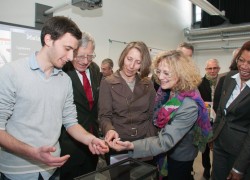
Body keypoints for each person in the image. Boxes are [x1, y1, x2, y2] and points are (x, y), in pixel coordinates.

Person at [0, 16, 109, 180]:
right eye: (67, 48)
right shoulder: (11, 73)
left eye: (74, 50)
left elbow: (71, 122)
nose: (71, 57)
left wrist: (90, 139)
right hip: (17, 172)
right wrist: (32, 152)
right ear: (48, 39)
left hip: (52, 169)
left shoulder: (64, 80)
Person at [108, 50, 213, 180]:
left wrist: (132, 146)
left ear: (181, 74)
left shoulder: (189, 104)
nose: (161, 77)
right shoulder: (171, 90)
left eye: (166, 73)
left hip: (180, 154)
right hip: (168, 150)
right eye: (158, 71)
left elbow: (165, 140)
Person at [98, 41, 158, 165]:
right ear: (123, 57)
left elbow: (152, 116)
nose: (131, 66)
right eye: (129, 59)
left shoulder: (148, 84)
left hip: (143, 144)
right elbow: (104, 116)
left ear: (143, 64)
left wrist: (149, 138)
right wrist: (109, 130)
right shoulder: (108, 83)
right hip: (118, 144)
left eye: (138, 62)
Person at [59, 32, 103, 179]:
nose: (85, 61)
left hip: (93, 139)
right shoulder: (62, 71)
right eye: (81, 56)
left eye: (90, 56)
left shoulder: (95, 69)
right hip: (69, 142)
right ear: (72, 52)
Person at [212, 41, 250, 180]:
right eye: (241, 60)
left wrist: (239, 167)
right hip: (220, 145)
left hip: (241, 152)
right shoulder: (229, 77)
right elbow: (221, 111)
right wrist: (214, 135)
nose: (244, 66)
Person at [198, 58, 220, 179]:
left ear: (219, 69)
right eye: (210, 68)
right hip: (204, 119)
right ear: (206, 69)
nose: (212, 71)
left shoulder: (223, 81)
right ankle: (207, 167)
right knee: (205, 146)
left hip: (219, 119)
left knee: (217, 145)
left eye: (215, 68)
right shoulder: (200, 83)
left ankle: (217, 168)